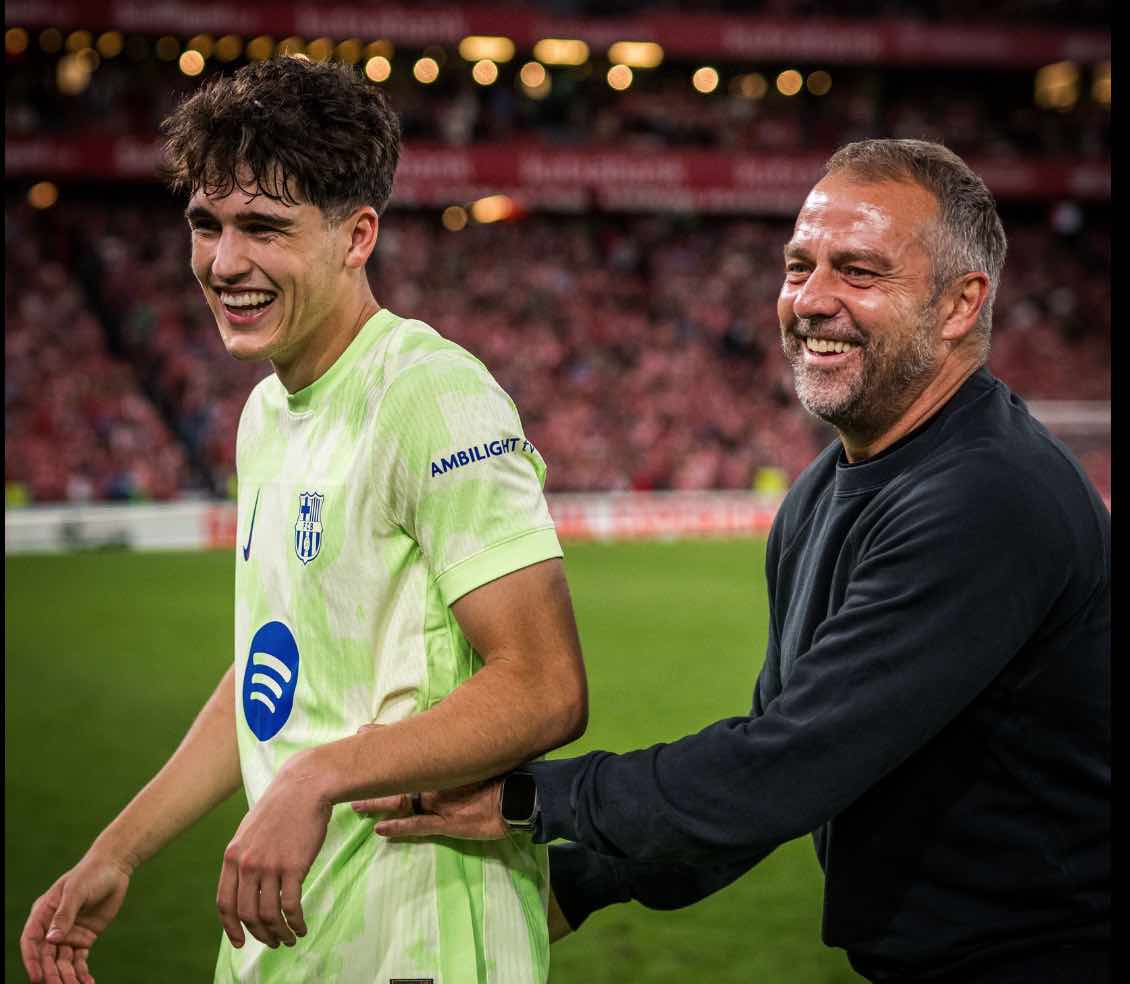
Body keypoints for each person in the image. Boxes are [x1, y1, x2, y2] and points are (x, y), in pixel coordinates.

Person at [354, 139, 1111, 983]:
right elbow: (770, 779)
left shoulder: (987, 497)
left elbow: (784, 768)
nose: (811, 300)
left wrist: (526, 799)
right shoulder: (824, 491)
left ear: (960, 304)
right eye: (799, 266)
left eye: (860, 272)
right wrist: (578, 884)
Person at [20, 56, 588, 984]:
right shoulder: (266, 412)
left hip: (415, 934)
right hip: (288, 938)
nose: (223, 263)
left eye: (264, 228)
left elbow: (545, 685)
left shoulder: (432, 397)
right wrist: (118, 850)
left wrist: (318, 777)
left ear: (357, 235)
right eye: (206, 225)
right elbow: (271, 674)